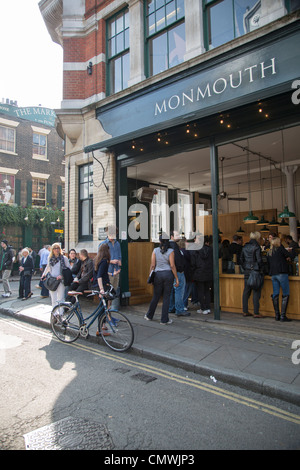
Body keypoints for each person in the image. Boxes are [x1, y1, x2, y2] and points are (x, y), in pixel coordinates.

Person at [145, 234, 179, 325]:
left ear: (159, 241)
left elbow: (152, 265)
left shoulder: (155, 250)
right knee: (166, 297)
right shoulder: (171, 251)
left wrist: (150, 276)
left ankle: (149, 315)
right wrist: (176, 278)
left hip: (158, 275)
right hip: (168, 275)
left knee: (156, 296)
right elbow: (172, 265)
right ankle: (164, 320)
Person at [267, 237, 292, 322]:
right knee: (285, 293)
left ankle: (277, 315)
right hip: (282, 272)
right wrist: (290, 252)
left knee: (275, 293)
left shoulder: (270, 251)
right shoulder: (281, 248)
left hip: (273, 274)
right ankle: (283, 316)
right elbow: (290, 255)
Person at [240, 231, 263, 318]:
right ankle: (256, 312)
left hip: (247, 271)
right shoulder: (257, 246)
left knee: (246, 291)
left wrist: (245, 267)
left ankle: (245, 311)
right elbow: (259, 260)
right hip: (255, 271)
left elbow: (241, 259)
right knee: (256, 291)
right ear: (257, 237)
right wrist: (261, 268)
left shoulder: (245, 246)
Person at [100, 225, 122, 309]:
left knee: (114, 291)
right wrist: (111, 261)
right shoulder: (103, 244)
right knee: (107, 292)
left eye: (114, 234)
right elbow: (100, 259)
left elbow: (120, 255)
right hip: (108, 271)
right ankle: (106, 312)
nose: (113, 236)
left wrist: (120, 262)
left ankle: (110, 311)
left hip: (116, 270)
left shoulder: (117, 244)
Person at [191, 235, 213, 314]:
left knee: (200, 291)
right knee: (207, 291)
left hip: (199, 273)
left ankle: (203, 308)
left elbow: (193, 263)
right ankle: (208, 307)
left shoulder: (195, 250)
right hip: (209, 273)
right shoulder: (210, 249)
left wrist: (193, 272)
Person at [168, 230, 189, 316]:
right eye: (177, 235)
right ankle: (179, 309)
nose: (179, 236)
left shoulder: (167, 245)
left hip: (170, 272)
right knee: (179, 290)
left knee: (172, 290)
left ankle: (171, 307)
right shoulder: (174, 246)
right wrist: (181, 269)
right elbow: (177, 260)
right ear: (172, 236)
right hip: (177, 271)